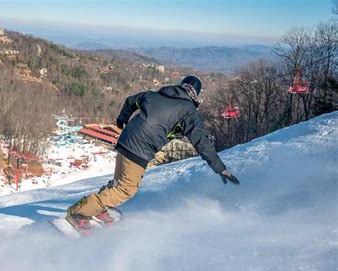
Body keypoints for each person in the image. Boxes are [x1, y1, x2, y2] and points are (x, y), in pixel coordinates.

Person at [65, 75, 240, 231]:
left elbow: (131, 100)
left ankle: (96, 207)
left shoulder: (155, 95)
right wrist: (220, 168)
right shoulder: (189, 112)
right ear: (195, 94)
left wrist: (122, 119)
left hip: (126, 140)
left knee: (118, 182)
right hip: (140, 148)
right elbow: (202, 143)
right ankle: (80, 213)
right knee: (126, 189)